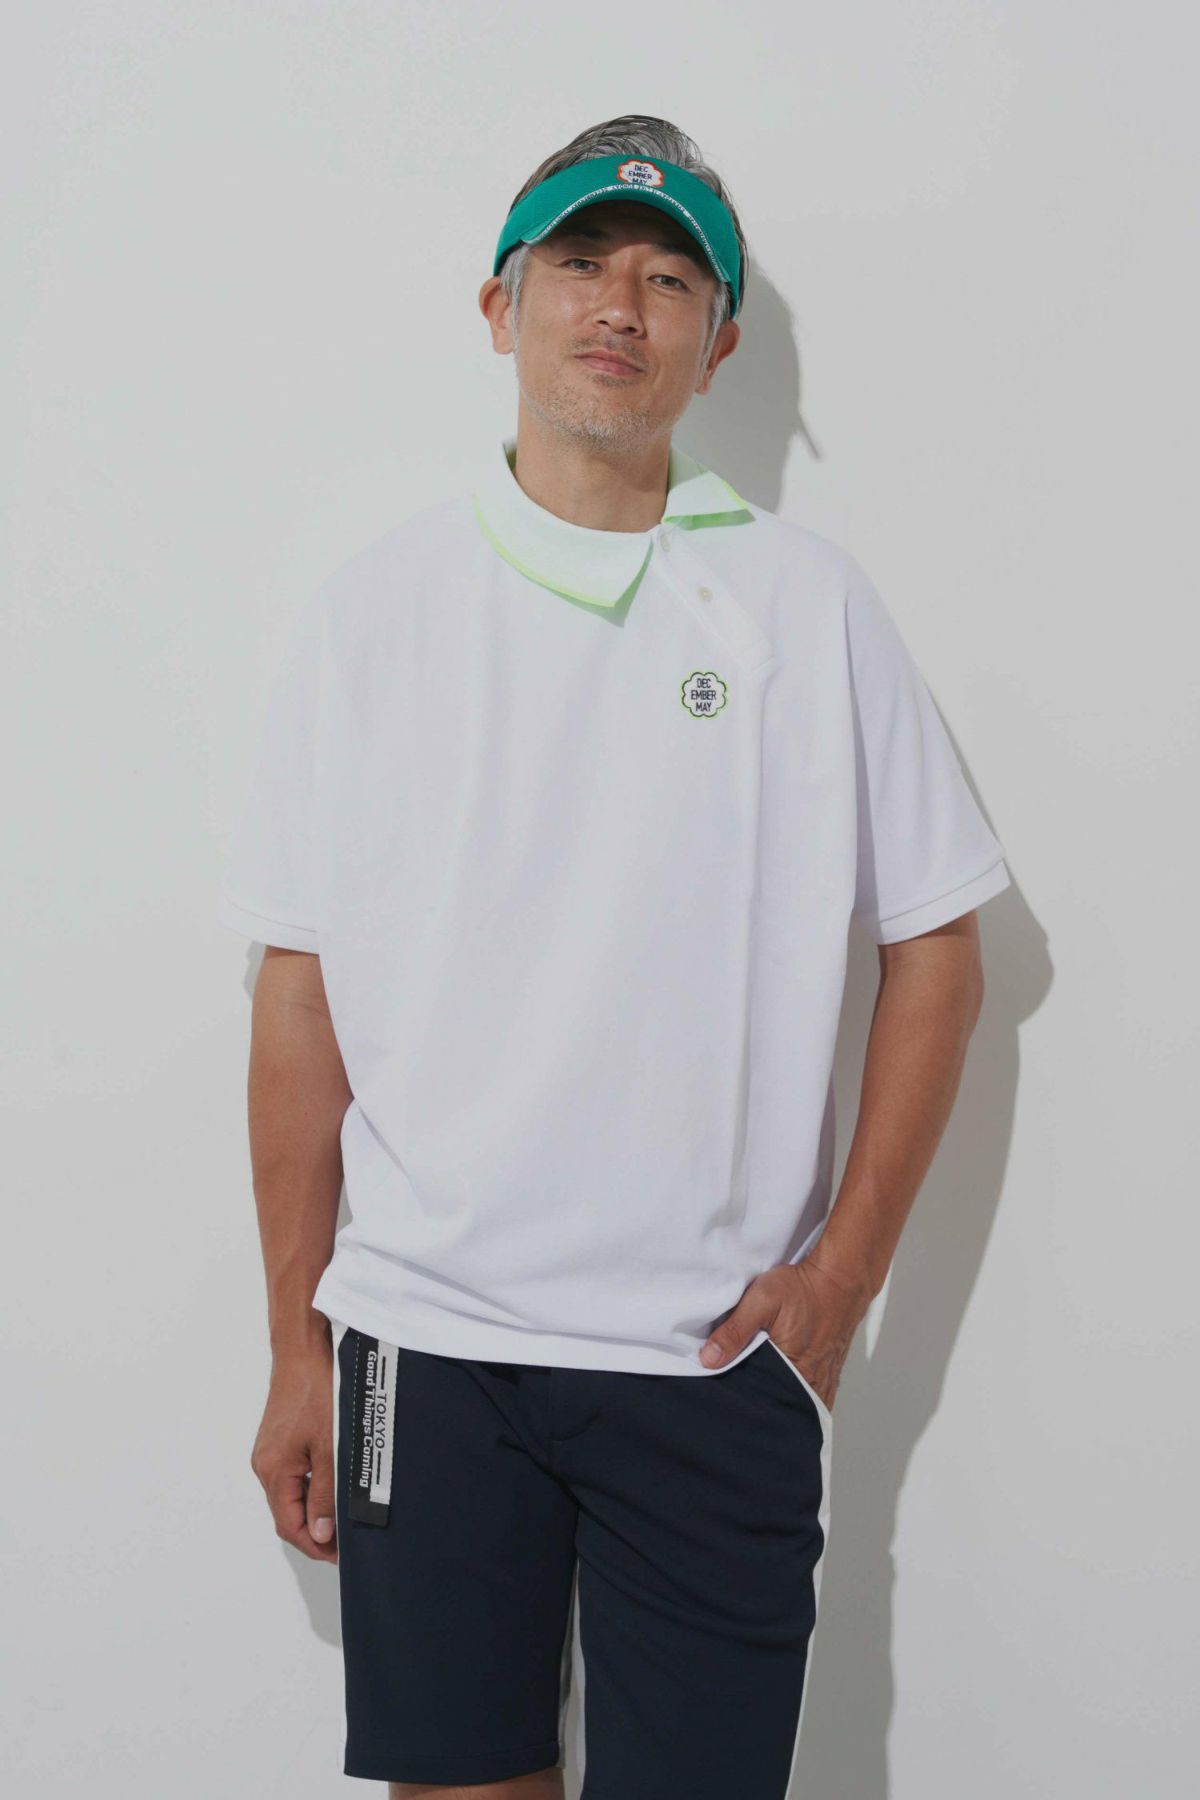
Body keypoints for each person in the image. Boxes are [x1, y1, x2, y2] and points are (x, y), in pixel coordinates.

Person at [218, 115, 1012, 1800]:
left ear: (717, 344)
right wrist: (299, 1343)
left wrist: (842, 1280)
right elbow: (301, 997)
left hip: (710, 1359)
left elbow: (940, 946)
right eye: (581, 261)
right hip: (426, 1345)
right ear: (500, 304)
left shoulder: (808, 609)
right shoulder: (374, 617)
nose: (619, 305)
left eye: (669, 279)